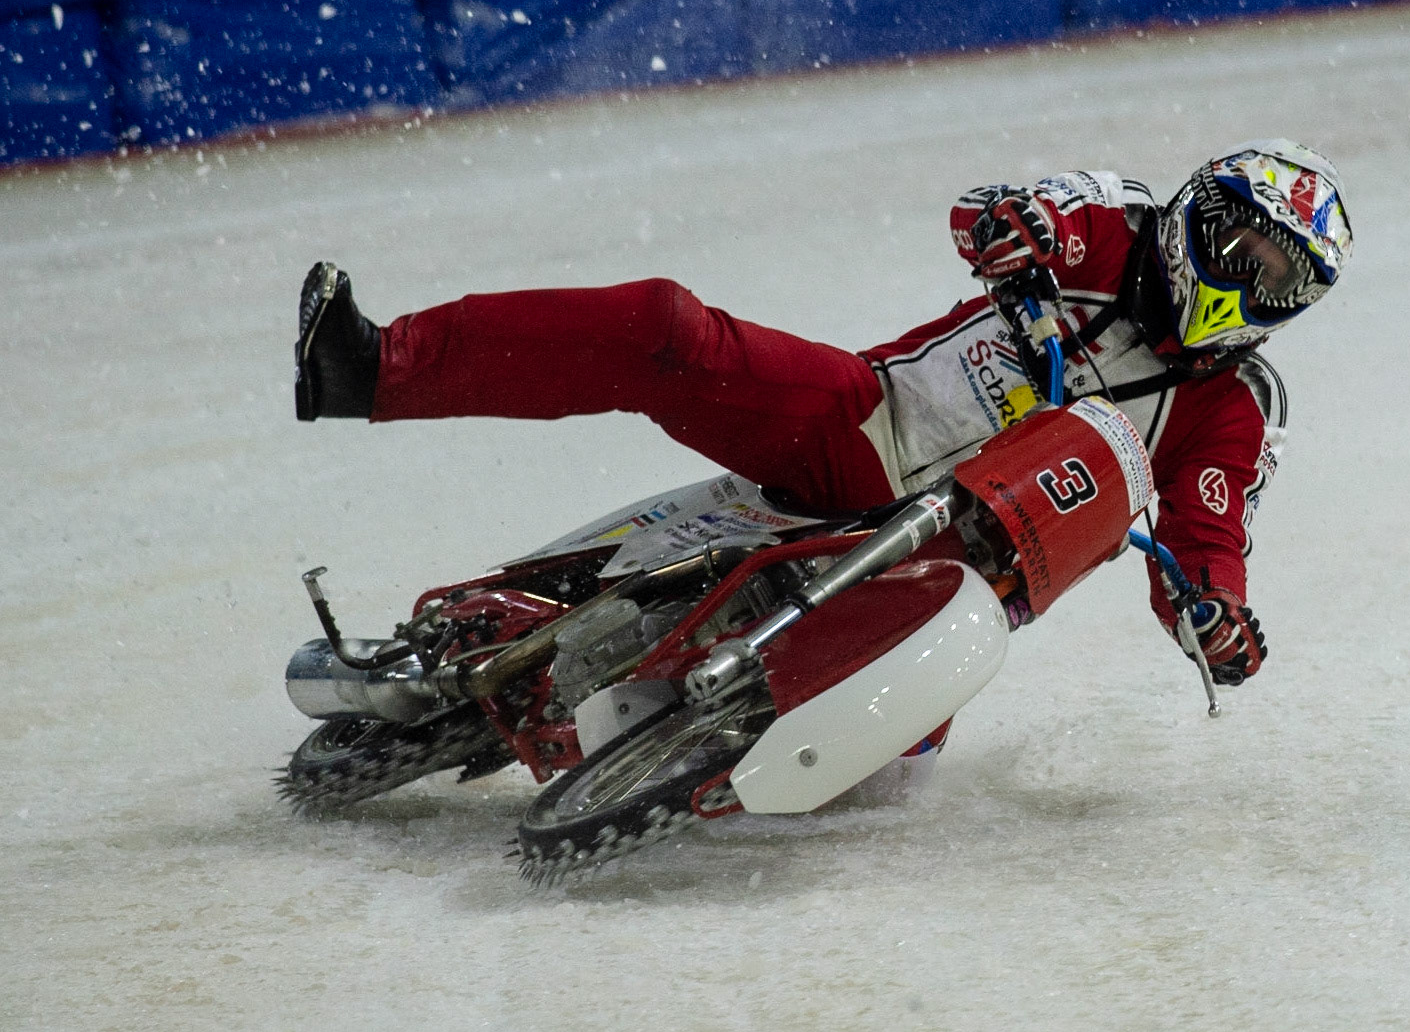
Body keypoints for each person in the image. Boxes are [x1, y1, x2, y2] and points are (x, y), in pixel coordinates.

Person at [294, 139, 1354, 687]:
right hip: (862, 429)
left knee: (893, 776)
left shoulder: (1234, 405)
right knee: (666, 328)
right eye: (1234, 247)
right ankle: (375, 369)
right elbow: (993, 212)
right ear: (1194, 216)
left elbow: (1207, 543)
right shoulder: (1116, 222)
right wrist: (1007, 229)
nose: (1237, 286)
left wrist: (1213, 620)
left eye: (1271, 282)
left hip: (970, 572)